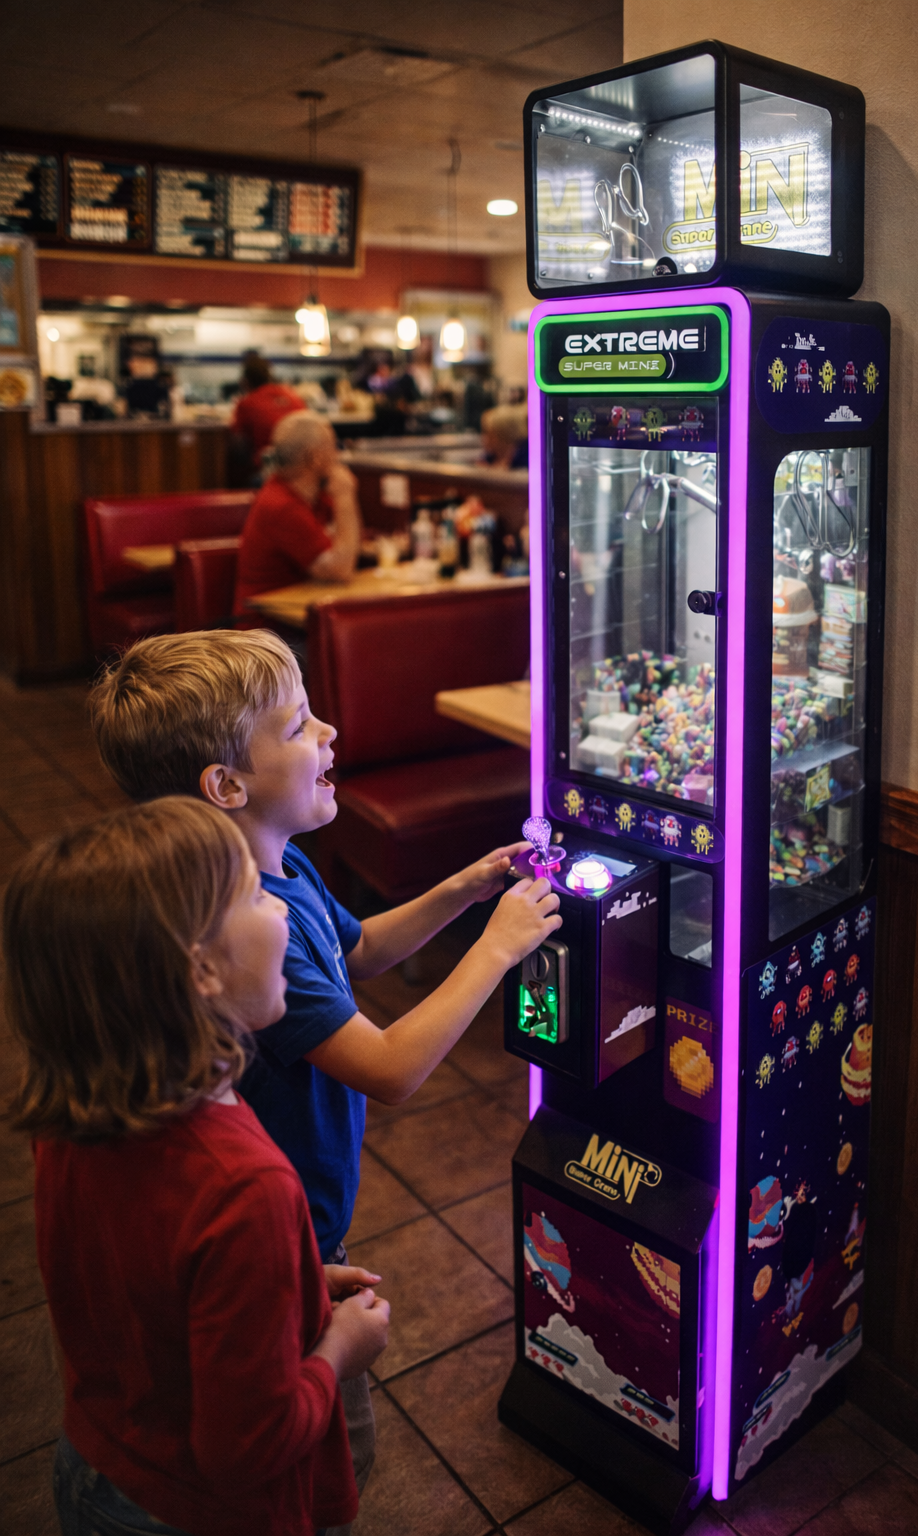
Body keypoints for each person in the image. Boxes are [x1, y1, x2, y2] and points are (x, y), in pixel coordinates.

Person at [89, 629, 561, 1499]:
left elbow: (363, 947)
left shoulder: (286, 861)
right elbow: (389, 1067)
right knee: (313, 1457)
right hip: (280, 1221)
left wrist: (465, 890)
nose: (331, 734)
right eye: (301, 723)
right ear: (227, 786)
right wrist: (495, 954)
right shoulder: (248, 929)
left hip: (306, 1222)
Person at [4, 797, 391, 1536]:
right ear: (203, 972)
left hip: (95, 1468)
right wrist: (340, 1347)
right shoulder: (247, 1186)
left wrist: (295, 1283)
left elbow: (149, 1274)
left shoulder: (75, 1115)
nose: (280, 915)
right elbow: (247, 1446)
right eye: (253, 894)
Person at [233, 411, 362, 625]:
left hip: (298, 619)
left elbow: (346, 544)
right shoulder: (281, 505)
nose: (339, 455)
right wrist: (345, 496)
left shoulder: (311, 495)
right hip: (266, 635)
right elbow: (340, 569)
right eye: (334, 446)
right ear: (315, 457)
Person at [231, 351, 305, 474]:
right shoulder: (292, 396)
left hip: (270, 468)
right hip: (303, 466)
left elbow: (237, 441)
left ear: (245, 381)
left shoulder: (247, 403)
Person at [481, 403, 529, 469]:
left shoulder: (526, 460)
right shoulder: (489, 458)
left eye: (490, 434)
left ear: (504, 435)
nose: (485, 438)